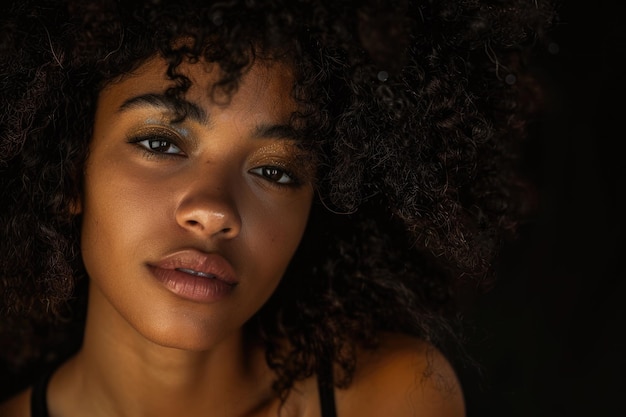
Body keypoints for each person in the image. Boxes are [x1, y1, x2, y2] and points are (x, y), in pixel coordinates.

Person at [0, 1, 554, 416]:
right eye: (161, 143)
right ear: (70, 169)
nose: (214, 211)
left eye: (274, 171)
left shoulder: (390, 397)